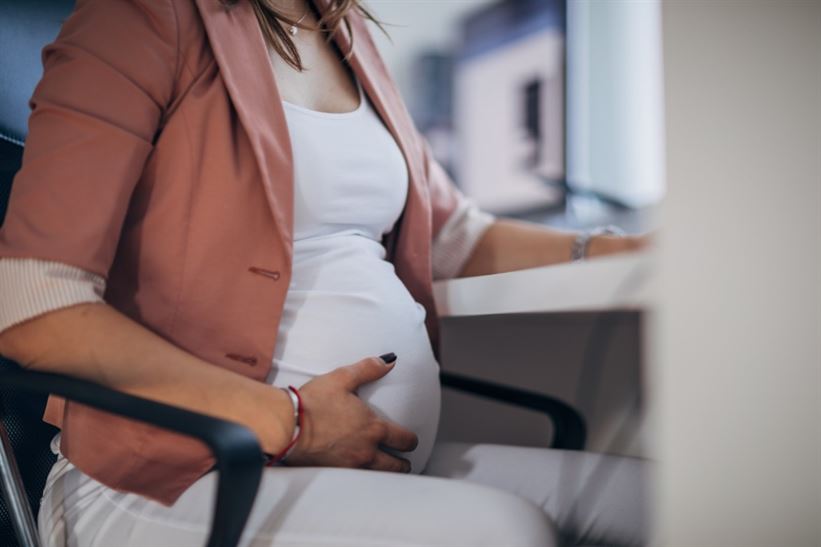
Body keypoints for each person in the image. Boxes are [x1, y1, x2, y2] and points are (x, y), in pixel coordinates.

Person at [0, 0, 647, 545]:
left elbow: (455, 235)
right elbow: (32, 302)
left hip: (368, 458)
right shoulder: (139, 18)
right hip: (167, 475)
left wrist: (619, 249)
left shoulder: (347, 35)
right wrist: (288, 418)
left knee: (649, 501)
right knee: (502, 530)